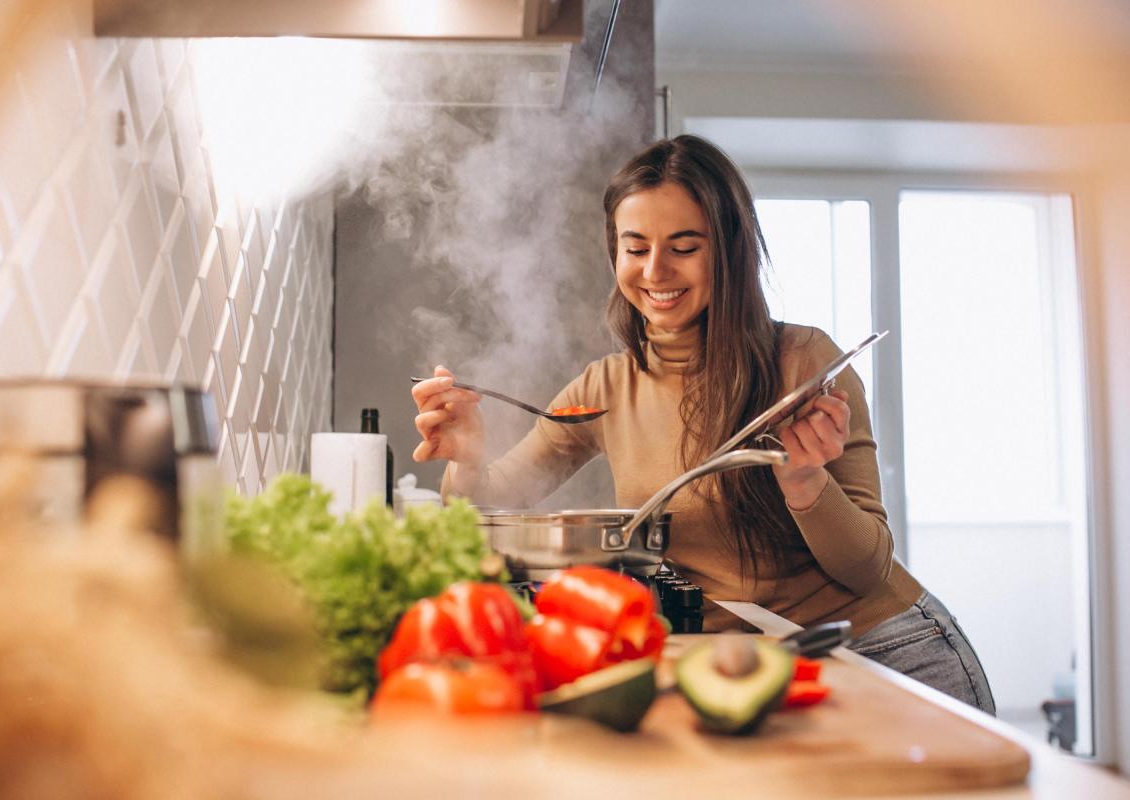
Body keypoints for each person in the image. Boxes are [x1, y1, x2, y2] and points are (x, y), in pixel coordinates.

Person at [410, 134, 995, 713]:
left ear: (729, 250)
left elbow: (868, 570)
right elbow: (486, 508)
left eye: (684, 247)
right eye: (635, 248)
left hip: (882, 651)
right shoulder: (604, 388)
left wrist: (805, 482)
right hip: (746, 667)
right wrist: (466, 457)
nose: (655, 270)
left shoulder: (803, 362)